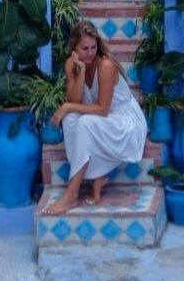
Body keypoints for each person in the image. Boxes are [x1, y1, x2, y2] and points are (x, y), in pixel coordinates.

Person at [41, 19, 147, 215]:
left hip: (125, 121)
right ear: (74, 48)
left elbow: (102, 110)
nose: (89, 52)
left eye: (93, 47)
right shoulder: (72, 65)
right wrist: (79, 72)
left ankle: (71, 194)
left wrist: (66, 106)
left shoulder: (106, 66)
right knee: (70, 119)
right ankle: (98, 175)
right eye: (84, 48)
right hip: (103, 120)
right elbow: (75, 99)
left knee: (85, 122)